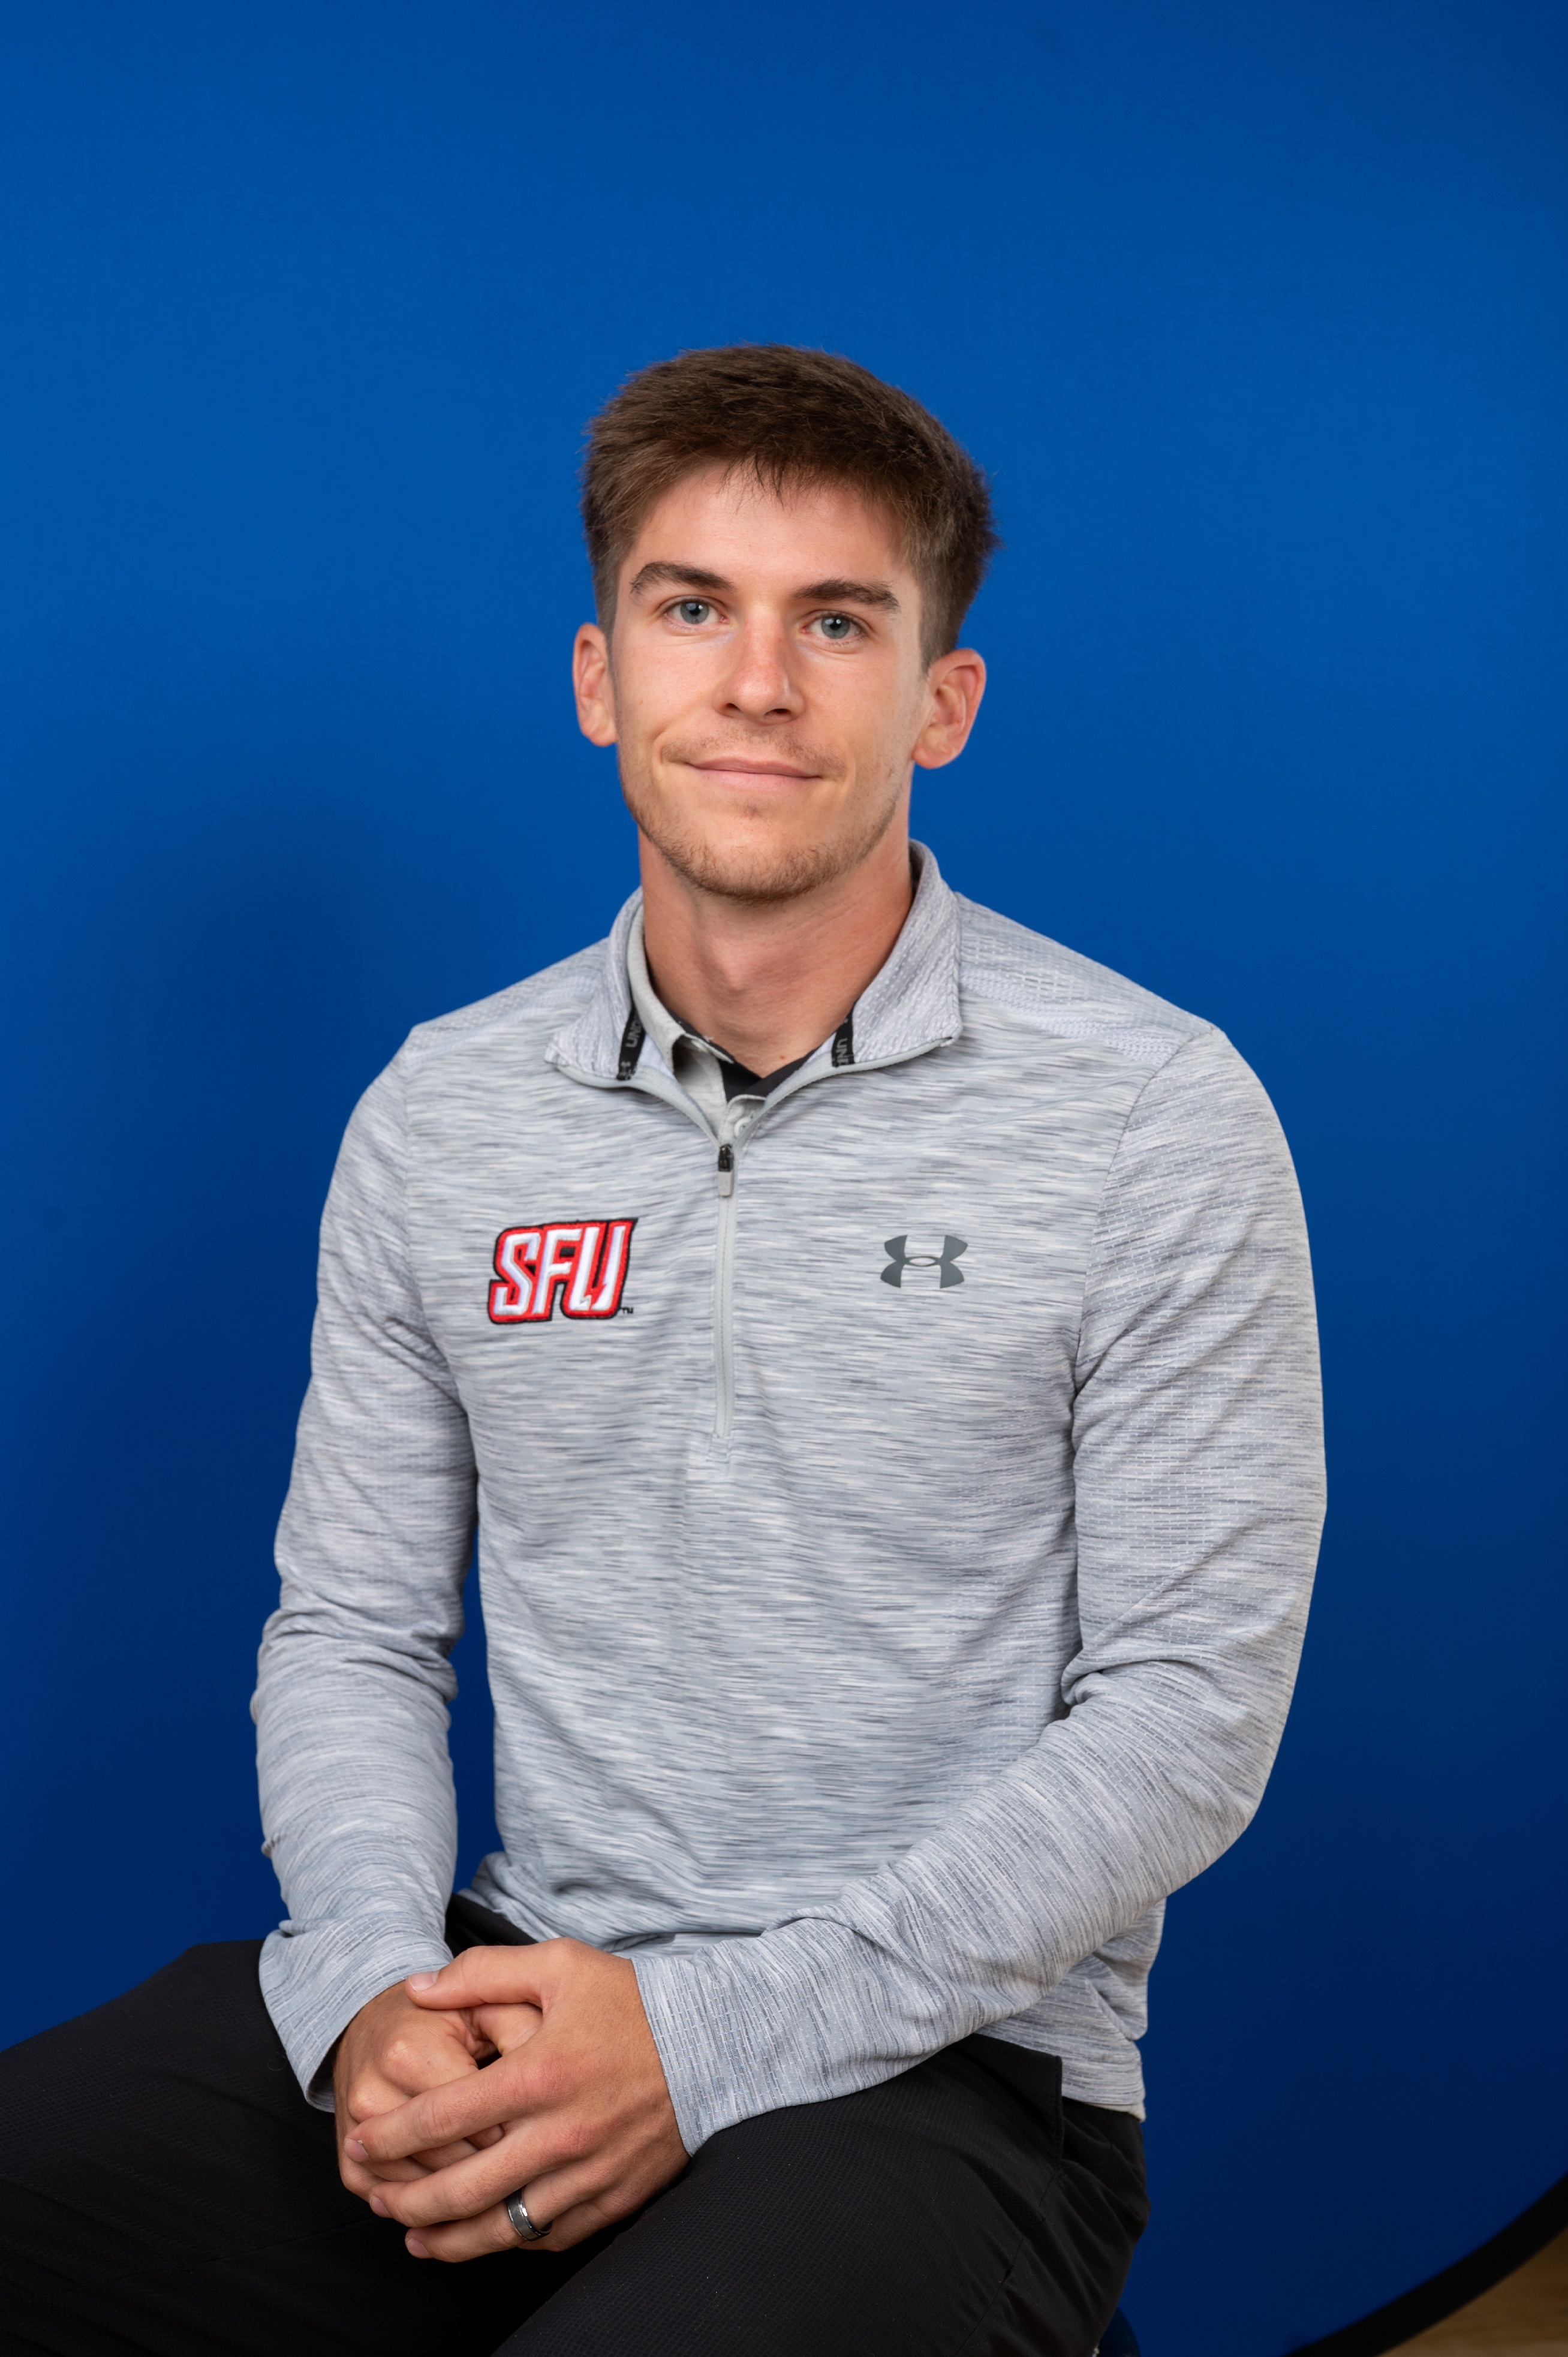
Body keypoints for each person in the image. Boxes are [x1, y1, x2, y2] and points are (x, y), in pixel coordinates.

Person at [0, 344, 1325, 2357]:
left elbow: (1188, 1715)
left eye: (838, 621)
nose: (760, 681)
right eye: (693, 607)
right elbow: (353, 1627)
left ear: (942, 700)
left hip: (953, 2076)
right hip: (508, 1987)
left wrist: (704, 2041)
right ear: (601, 676)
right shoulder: (444, 1112)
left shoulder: (1154, 1111)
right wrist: (368, 1992)